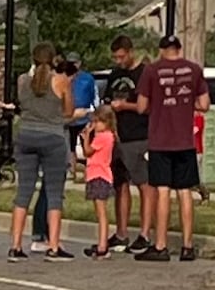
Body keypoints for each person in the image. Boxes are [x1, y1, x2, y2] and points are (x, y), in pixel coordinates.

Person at [136, 34, 210, 262]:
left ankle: (161, 245)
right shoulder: (194, 70)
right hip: (184, 140)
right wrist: (188, 104)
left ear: (161, 50)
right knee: (185, 191)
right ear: (179, 48)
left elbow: (141, 106)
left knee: (163, 191)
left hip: (161, 139)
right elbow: (204, 104)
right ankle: (188, 246)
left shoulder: (151, 71)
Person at [8, 44, 76, 262]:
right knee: (54, 192)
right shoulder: (60, 81)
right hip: (52, 137)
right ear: (54, 59)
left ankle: (16, 245)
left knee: (24, 191)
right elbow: (68, 111)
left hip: (26, 134)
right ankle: (54, 246)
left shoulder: (22, 81)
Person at [104, 35, 153, 253]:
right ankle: (121, 233)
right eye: (115, 57)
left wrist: (126, 106)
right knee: (120, 185)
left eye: (121, 57)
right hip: (117, 137)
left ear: (130, 52)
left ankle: (144, 233)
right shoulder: (115, 75)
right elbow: (106, 102)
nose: (118, 61)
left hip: (140, 136)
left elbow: (150, 107)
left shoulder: (143, 73)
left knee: (144, 185)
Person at [81, 106, 118, 258]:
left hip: (98, 175)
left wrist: (86, 138)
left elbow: (87, 152)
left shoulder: (103, 137)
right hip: (99, 175)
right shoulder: (110, 136)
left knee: (101, 212)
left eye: (98, 122)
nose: (95, 125)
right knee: (99, 212)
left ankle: (103, 245)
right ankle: (102, 242)